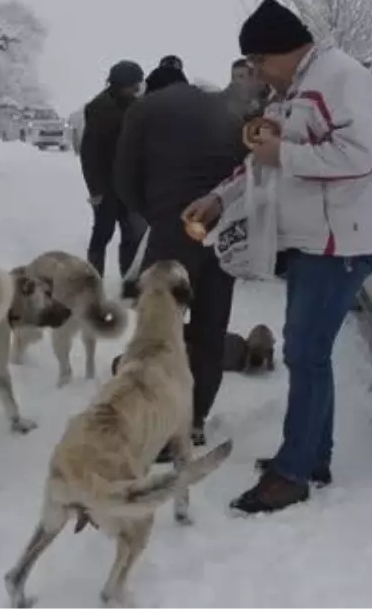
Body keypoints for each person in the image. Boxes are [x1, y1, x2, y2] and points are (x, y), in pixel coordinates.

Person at [182, 0, 372, 515]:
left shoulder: (342, 76)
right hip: (310, 243)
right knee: (309, 354)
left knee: (305, 354)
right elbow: (261, 162)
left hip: (340, 243)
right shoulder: (294, 88)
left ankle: (293, 472)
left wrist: (285, 153)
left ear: (279, 51)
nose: (256, 74)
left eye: (257, 63)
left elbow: (361, 155)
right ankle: (312, 457)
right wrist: (217, 197)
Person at [115, 64, 245, 453]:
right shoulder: (225, 108)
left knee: (157, 333)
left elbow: (124, 177)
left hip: (172, 232)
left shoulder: (144, 110)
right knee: (211, 328)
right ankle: (195, 419)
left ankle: (155, 421)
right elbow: (243, 169)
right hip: (220, 233)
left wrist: (155, 214)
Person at [80, 60, 146, 278]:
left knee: (133, 235)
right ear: (120, 84)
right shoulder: (98, 108)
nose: (137, 89)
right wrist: (96, 190)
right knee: (102, 234)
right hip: (106, 186)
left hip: (128, 185)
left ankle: (128, 281)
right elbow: (89, 154)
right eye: (133, 85)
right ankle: (93, 281)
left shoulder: (135, 105)